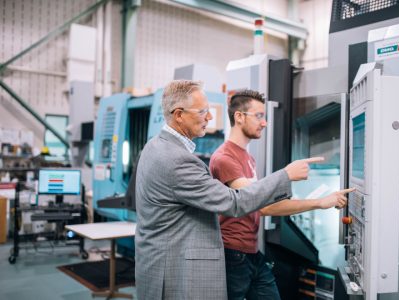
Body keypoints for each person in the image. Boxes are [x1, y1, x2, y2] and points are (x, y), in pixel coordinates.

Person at [135, 80, 324, 300]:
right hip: (177, 269)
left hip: (164, 262)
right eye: (203, 111)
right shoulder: (177, 160)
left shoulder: (155, 146)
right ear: (178, 115)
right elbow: (235, 203)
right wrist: (286, 175)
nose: (209, 117)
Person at [209, 89, 354, 300]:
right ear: (239, 117)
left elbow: (264, 204)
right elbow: (258, 204)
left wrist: (321, 202)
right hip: (233, 255)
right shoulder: (224, 158)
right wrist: (314, 199)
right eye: (259, 116)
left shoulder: (247, 158)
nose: (265, 123)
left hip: (250, 253)